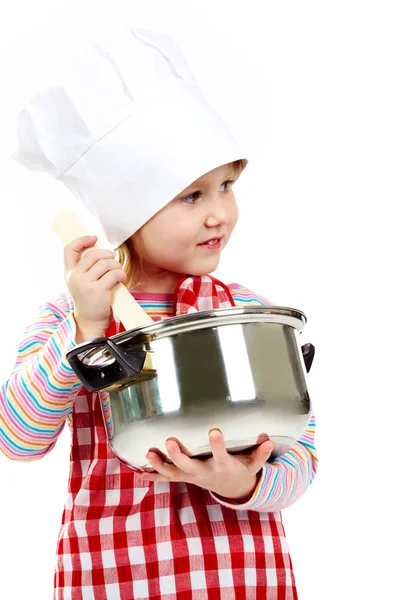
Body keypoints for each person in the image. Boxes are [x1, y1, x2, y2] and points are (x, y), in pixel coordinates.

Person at [0, 25, 318, 599]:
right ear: (130, 208)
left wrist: (247, 482)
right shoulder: (73, 316)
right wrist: (85, 328)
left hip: (245, 581)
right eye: (192, 196)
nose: (220, 213)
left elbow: (303, 458)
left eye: (226, 185)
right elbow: (17, 438)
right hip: (112, 578)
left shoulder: (245, 312)